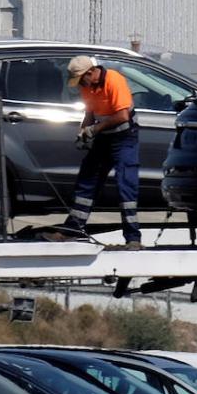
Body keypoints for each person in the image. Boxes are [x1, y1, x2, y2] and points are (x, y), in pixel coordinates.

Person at [44, 55, 142, 249]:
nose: (80, 85)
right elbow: (89, 114)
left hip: (124, 138)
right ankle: (73, 230)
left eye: (81, 79)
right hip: (104, 137)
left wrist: (94, 130)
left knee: (125, 184)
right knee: (87, 180)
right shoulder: (87, 87)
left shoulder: (114, 80)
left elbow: (122, 116)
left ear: (90, 72)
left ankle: (133, 238)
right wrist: (83, 133)